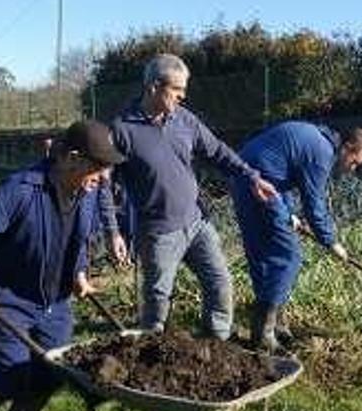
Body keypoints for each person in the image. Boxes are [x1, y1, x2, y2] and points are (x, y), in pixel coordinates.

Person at [0, 120, 125, 411]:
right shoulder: (21, 190)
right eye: (99, 167)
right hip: (9, 300)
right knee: (10, 378)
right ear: (72, 158)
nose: (104, 176)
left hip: (55, 304)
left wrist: (77, 273)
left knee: (52, 374)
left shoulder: (86, 193)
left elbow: (76, 239)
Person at [101, 53, 278, 340]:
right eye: (177, 89)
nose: (183, 96)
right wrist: (113, 232)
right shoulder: (122, 129)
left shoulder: (184, 120)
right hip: (158, 232)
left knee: (220, 283)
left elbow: (217, 151)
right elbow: (104, 186)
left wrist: (251, 175)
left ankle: (216, 344)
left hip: (196, 223)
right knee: (157, 302)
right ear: (154, 87)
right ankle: (149, 357)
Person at [231, 122, 362, 351]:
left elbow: (281, 170)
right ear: (347, 148)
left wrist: (288, 213)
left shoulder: (315, 139)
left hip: (250, 179)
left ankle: (274, 324)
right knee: (289, 257)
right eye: (354, 161)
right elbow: (314, 204)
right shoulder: (321, 152)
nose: (352, 168)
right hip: (257, 185)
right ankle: (263, 335)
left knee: (265, 255)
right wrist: (331, 242)